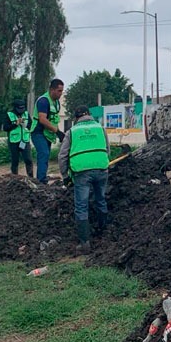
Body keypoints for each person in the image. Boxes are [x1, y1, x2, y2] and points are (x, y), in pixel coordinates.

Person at [58, 106, 110, 254]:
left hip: (81, 172)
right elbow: (107, 149)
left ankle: (85, 243)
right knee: (101, 200)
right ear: (89, 115)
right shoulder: (100, 128)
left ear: (76, 118)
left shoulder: (72, 132)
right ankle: (104, 233)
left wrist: (65, 176)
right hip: (101, 168)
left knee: (81, 206)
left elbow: (62, 156)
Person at [30, 79, 66, 184]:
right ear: (52, 89)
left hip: (48, 133)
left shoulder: (56, 103)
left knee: (46, 155)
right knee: (44, 153)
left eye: (62, 91)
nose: (61, 93)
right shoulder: (43, 101)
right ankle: (41, 181)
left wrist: (58, 133)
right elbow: (42, 119)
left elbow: (54, 119)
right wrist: (57, 132)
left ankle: (42, 177)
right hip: (38, 132)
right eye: (59, 91)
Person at [3, 99, 33, 177]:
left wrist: (25, 125)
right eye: (20, 108)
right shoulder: (9, 114)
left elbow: (31, 125)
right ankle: (14, 177)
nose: (21, 110)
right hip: (14, 141)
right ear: (15, 108)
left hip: (24, 140)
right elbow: (5, 128)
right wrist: (15, 124)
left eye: (23, 108)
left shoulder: (26, 114)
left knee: (28, 160)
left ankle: (31, 177)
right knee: (15, 161)